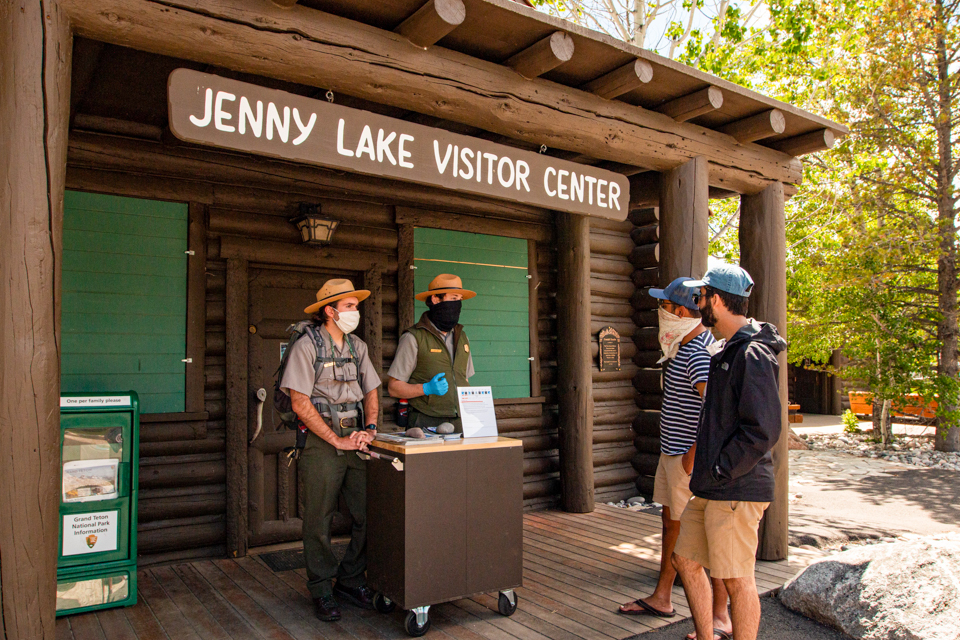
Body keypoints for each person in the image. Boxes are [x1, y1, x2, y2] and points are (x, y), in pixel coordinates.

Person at [671, 265, 786, 640]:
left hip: (735, 488)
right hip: (712, 486)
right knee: (685, 560)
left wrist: (720, 469)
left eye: (701, 297)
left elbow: (763, 429)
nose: (697, 303)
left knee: (737, 579)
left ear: (717, 300)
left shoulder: (752, 353)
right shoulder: (725, 349)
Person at [618, 277, 732, 640]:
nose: (661, 312)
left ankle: (719, 615)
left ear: (681, 311)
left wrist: (693, 457)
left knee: (706, 536)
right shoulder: (683, 348)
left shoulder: (698, 352)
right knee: (672, 525)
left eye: (665, 306)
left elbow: (713, 407)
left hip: (687, 461)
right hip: (675, 455)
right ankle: (663, 596)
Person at [280, 278, 381, 622]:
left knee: (369, 512)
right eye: (350, 306)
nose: (355, 312)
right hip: (321, 443)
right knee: (318, 518)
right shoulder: (306, 346)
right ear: (330, 311)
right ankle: (322, 588)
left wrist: (370, 428)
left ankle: (351, 580)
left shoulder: (358, 347)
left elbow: (371, 390)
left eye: (356, 305)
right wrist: (336, 439)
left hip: (357, 440)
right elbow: (299, 401)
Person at [386, 273, 476, 432]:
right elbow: (394, 388)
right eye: (453, 299)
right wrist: (426, 389)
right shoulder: (413, 338)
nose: (458, 305)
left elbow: (465, 379)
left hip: (461, 421)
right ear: (435, 299)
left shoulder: (463, 337)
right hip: (425, 421)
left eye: (460, 300)